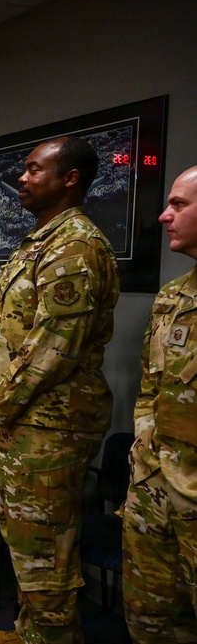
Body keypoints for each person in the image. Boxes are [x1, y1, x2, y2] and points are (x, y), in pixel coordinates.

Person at [0, 136, 120, 644]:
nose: (23, 178)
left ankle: (51, 636)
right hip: (23, 421)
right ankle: (34, 631)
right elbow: (6, 333)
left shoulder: (75, 244)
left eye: (34, 170)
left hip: (50, 424)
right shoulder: (41, 239)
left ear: (69, 179)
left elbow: (55, 346)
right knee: (25, 537)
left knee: (46, 546)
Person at [122, 165, 197, 642]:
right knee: (151, 621)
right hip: (154, 485)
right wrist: (145, 450)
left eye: (179, 205)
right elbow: (150, 385)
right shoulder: (173, 295)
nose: (164, 216)